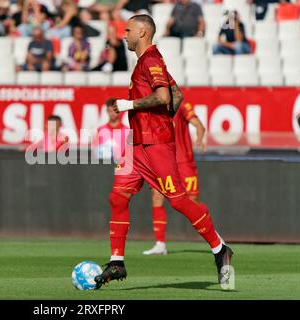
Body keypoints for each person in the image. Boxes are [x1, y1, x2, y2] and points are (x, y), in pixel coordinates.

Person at [93, 14, 233, 289]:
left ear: (143, 32)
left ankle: (220, 249)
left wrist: (130, 106)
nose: (124, 35)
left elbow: (165, 97)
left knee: (179, 201)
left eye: (129, 30)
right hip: (137, 146)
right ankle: (117, 261)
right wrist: (161, 117)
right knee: (117, 196)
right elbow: (178, 94)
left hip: (156, 145)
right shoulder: (146, 63)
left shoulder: (152, 60)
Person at [143, 101, 206, 255]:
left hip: (184, 162)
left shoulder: (183, 105)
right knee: (157, 197)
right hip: (163, 162)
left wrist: (199, 138)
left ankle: (214, 235)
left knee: (193, 202)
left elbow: (199, 125)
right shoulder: (154, 109)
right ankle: (160, 244)